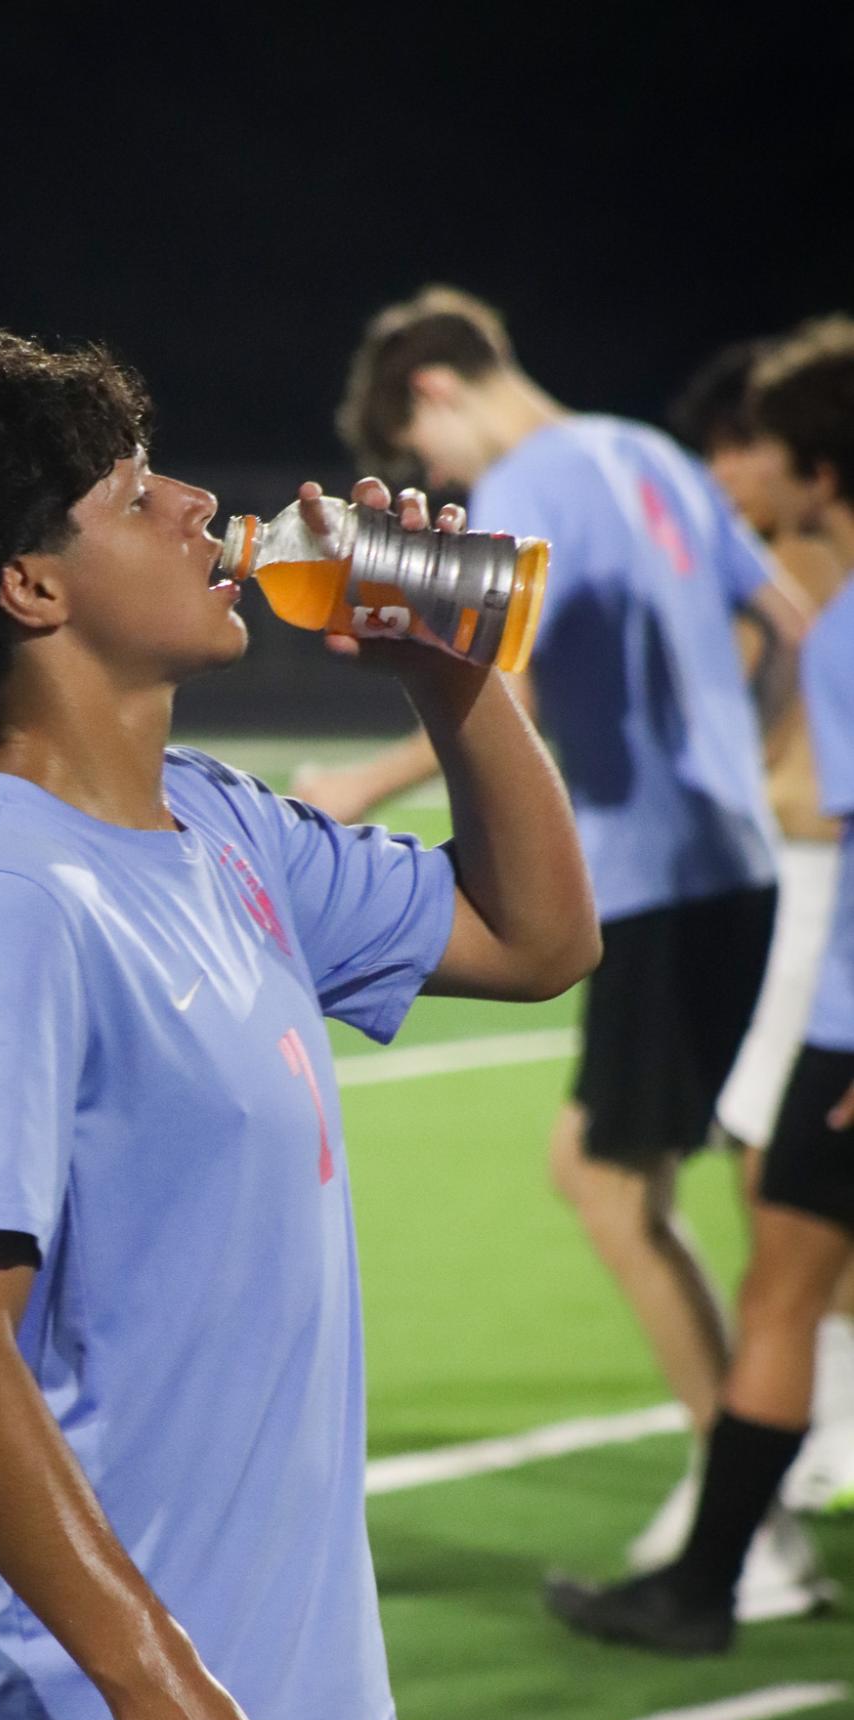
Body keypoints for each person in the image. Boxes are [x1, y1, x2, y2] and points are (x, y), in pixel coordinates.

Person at [0, 329, 598, 1720]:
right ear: (29, 587)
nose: (196, 506)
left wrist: (450, 676)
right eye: (133, 492)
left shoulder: (215, 827)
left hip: (212, 1695)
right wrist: (150, 1687)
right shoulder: (6, 903)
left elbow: (534, 936)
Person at [295, 287, 824, 1620]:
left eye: (425, 462)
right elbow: (790, 623)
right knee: (630, 1181)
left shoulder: (528, 482)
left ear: (432, 394)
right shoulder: (641, 448)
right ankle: (742, 1506)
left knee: (608, 1187)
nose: (436, 481)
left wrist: (360, 783)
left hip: (646, 878)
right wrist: (737, 756)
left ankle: (741, 1522)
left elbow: (487, 688)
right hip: (734, 859)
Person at [546, 317, 854, 1654]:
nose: (744, 474)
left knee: (768, 1274)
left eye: (762, 450)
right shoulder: (820, 597)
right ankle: (717, 1573)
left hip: (828, 995)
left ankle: (718, 1576)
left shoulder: (828, 603)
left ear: (815, 463)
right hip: (826, 989)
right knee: (782, 1270)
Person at [672, 340, 854, 1520]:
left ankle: (731, 1536)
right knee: (781, 1201)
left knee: (774, 1202)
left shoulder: (813, 588)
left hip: (820, 925)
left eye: (761, 450)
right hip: (808, 909)